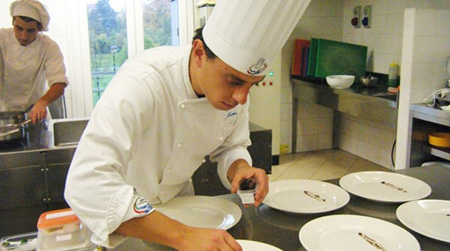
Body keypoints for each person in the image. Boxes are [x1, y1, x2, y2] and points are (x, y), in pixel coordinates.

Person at [64, 0, 310, 250]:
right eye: (233, 81)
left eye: (251, 85)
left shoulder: (236, 96)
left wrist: (240, 168)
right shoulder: (144, 81)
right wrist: (183, 236)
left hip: (183, 212)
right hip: (124, 223)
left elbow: (229, 147)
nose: (242, 98)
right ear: (199, 53)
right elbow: (85, 182)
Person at [0, 0, 68, 123]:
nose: (23, 36)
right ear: (13, 23)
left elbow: (59, 84)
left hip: (33, 115)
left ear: (39, 28)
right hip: (3, 115)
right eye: (18, 28)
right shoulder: (2, 39)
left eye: (30, 30)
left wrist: (43, 102)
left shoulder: (49, 47)